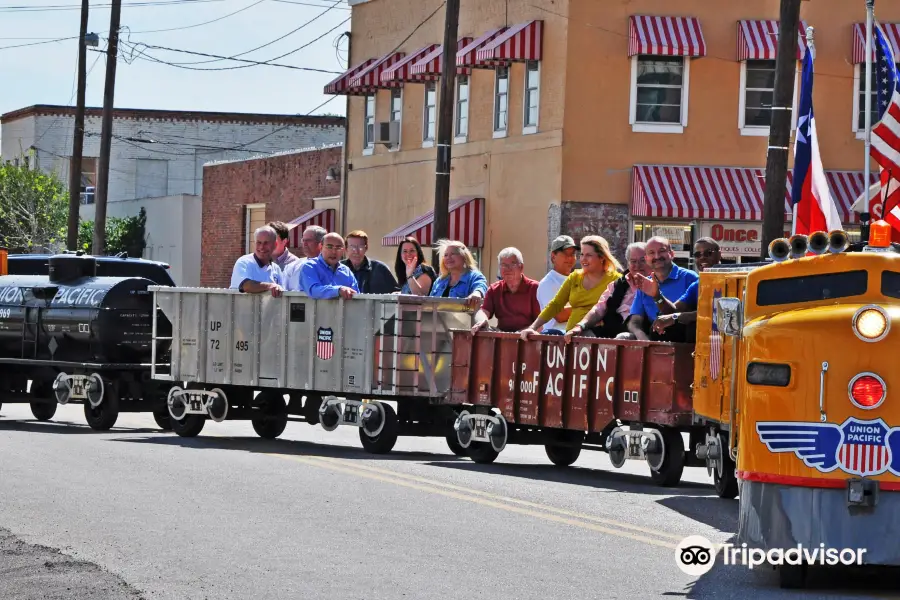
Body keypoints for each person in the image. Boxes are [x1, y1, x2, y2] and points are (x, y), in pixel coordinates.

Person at [519, 235, 622, 339]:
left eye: (589, 255)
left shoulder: (615, 280)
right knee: (548, 333)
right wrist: (533, 327)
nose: (583, 259)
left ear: (602, 257)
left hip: (599, 339)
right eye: (582, 254)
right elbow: (556, 304)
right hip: (570, 338)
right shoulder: (575, 277)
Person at [563, 242, 652, 342]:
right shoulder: (618, 284)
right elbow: (598, 309)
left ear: (650, 260)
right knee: (582, 335)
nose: (637, 265)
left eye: (642, 260)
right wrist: (580, 326)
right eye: (633, 261)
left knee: (622, 338)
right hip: (611, 332)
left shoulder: (657, 284)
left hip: (640, 336)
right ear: (628, 263)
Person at [619, 236, 699, 342]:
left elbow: (676, 313)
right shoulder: (644, 283)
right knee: (623, 337)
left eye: (662, 251)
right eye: (651, 253)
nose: (657, 256)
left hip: (682, 340)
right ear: (647, 258)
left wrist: (657, 295)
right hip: (654, 338)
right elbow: (634, 321)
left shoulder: (690, 278)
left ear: (672, 254)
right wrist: (640, 335)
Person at [638, 238, 721, 337]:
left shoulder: (733, 279)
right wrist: (657, 296)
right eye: (698, 255)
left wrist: (676, 317)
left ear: (719, 254)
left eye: (708, 253)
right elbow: (673, 311)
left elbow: (719, 313)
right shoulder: (698, 285)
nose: (702, 258)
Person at [471, 247, 540, 333]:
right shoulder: (494, 289)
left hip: (528, 337)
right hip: (502, 337)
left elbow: (541, 323)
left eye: (512, 264)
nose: (508, 269)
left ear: (521, 267)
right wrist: (482, 319)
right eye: (503, 265)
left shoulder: (535, 288)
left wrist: (521, 333)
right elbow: (484, 310)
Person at [428, 239, 487, 311]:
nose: (448, 258)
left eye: (452, 254)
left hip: (465, 321)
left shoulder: (474, 276)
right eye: (445, 255)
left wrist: (477, 293)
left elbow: (481, 286)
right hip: (436, 321)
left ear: (464, 256)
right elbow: (429, 305)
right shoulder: (439, 281)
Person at [299, 232, 359, 300]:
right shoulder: (310, 266)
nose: (334, 252)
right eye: (329, 247)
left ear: (343, 251)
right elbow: (313, 291)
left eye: (338, 248)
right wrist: (338, 290)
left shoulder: (346, 271)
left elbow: (356, 296)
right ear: (321, 247)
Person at [229, 225, 284, 297]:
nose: (262, 247)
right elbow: (246, 286)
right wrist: (270, 286)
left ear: (275, 245)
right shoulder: (244, 262)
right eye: (259, 242)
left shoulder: (276, 269)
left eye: (266, 243)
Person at [537, 235, 577, 332]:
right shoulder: (547, 283)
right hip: (555, 339)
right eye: (565, 254)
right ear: (553, 256)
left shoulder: (577, 279)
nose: (570, 258)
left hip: (575, 337)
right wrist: (590, 306)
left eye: (572, 254)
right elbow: (560, 316)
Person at [285, 225, 326, 292]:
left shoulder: (329, 266)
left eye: (308, 240)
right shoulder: (293, 266)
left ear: (320, 243)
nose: (305, 244)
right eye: (303, 240)